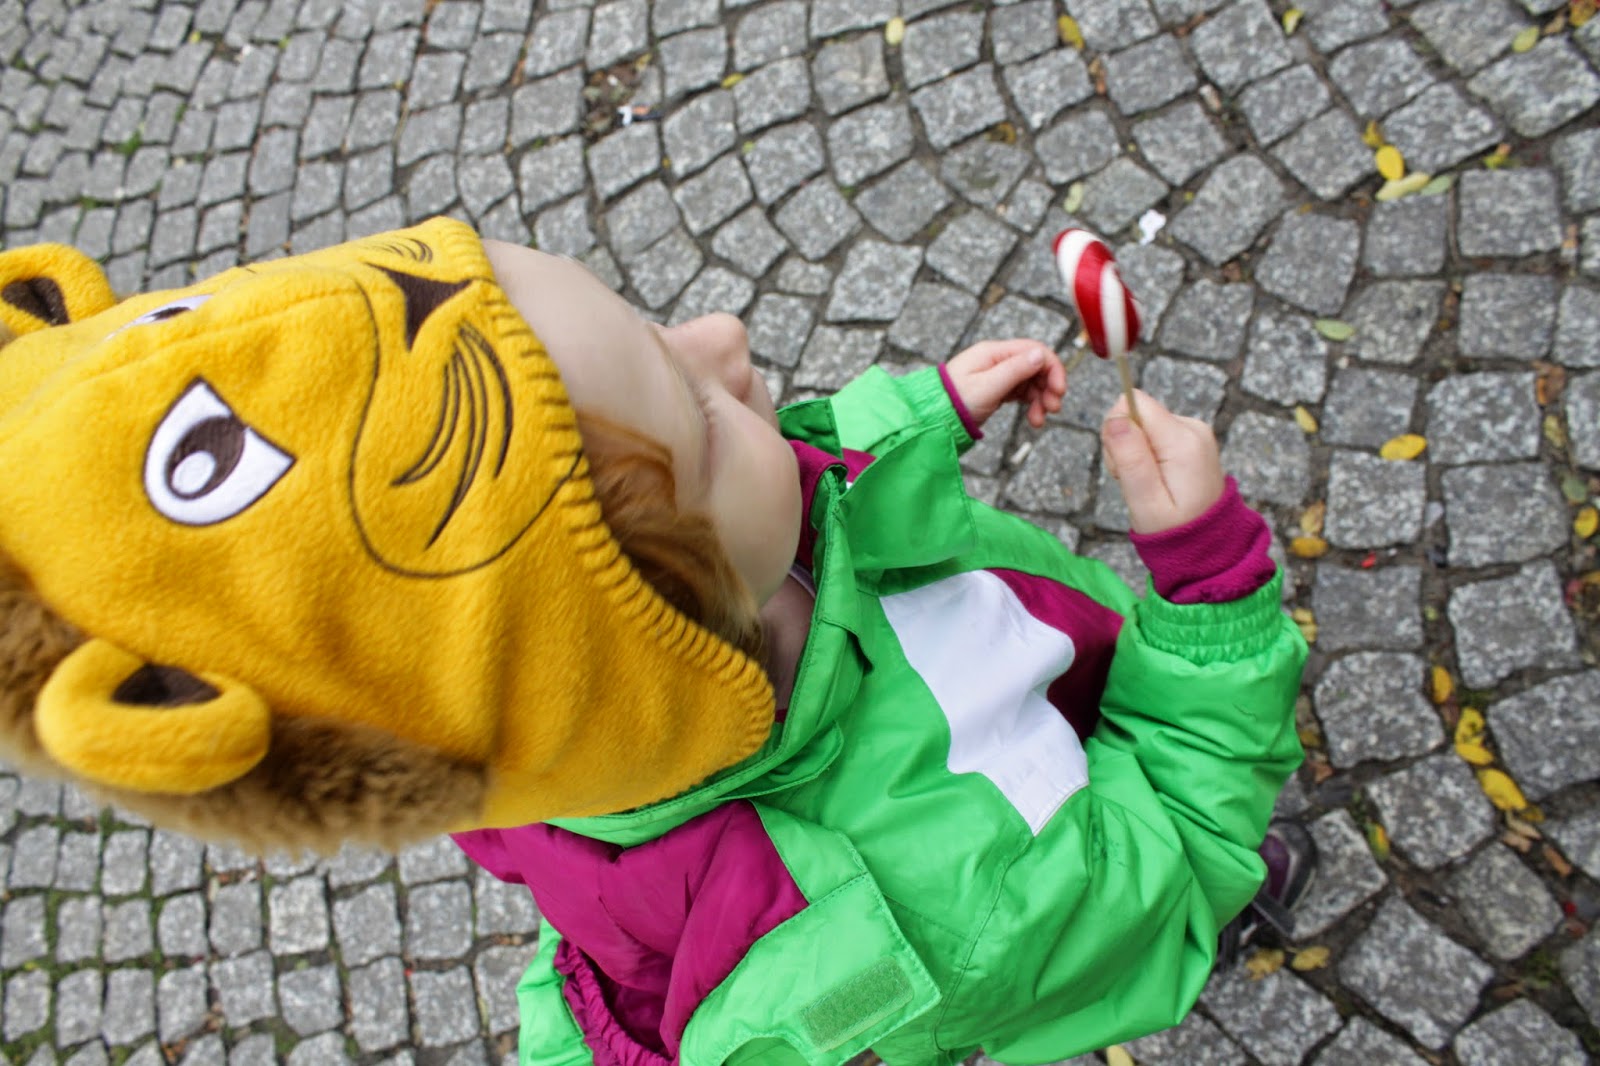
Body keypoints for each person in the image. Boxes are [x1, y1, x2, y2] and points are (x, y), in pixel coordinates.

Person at [0, 219, 1308, 1066]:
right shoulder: (946, 903)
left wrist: (921, 417)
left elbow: (799, 500)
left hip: (979, 712)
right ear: (661, 649)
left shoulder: (571, 726)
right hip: (1078, 838)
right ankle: (1253, 895)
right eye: (695, 412)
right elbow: (1172, 841)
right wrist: (1207, 586)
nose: (724, 340)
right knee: (1188, 866)